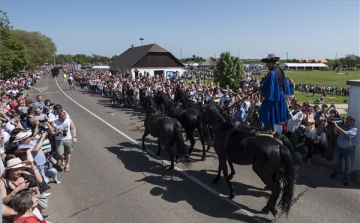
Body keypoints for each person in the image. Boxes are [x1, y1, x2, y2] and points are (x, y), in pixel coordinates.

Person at [258, 54, 289, 131]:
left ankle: (268, 129)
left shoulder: (272, 73)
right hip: (280, 95)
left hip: (274, 95)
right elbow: (285, 83)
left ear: (270, 63)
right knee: (273, 115)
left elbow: (269, 88)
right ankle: (270, 128)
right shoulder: (280, 70)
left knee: (264, 110)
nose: (266, 65)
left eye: (267, 63)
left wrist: (260, 88)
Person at [330, 116, 358, 186]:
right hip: (339, 148)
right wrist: (336, 126)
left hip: (348, 150)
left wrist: (337, 126)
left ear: (352, 122)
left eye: (347, 121)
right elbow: (336, 133)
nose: (345, 122)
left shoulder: (354, 129)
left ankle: (347, 180)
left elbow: (346, 134)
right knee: (335, 162)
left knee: (348, 167)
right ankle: (336, 172)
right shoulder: (343, 126)